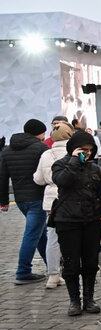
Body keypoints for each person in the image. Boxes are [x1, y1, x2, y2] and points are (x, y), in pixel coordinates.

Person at [51, 131, 101, 315]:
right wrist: (74, 161)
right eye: (84, 150)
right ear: (74, 149)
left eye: (90, 150)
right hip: (68, 221)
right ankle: (74, 300)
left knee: (91, 262)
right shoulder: (61, 165)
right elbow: (62, 181)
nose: (87, 153)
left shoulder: (94, 168)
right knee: (71, 262)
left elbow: (100, 194)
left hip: (91, 221)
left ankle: (89, 299)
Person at [0, 119, 49, 284]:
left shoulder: (7, 151)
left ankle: (53, 265)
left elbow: (2, 178)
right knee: (32, 235)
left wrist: (4, 201)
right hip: (38, 198)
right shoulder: (41, 148)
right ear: (39, 133)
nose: (44, 136)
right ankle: (23, 271)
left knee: (40, 233)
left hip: (21, 200)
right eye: (43, 133)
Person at [33, 121, 74, 289]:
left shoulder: (46, 154)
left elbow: (38, 179)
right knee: (78, 233)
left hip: (51, 200)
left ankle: (53, 275)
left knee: (53, 238)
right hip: (72, 198)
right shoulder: (74, 152)